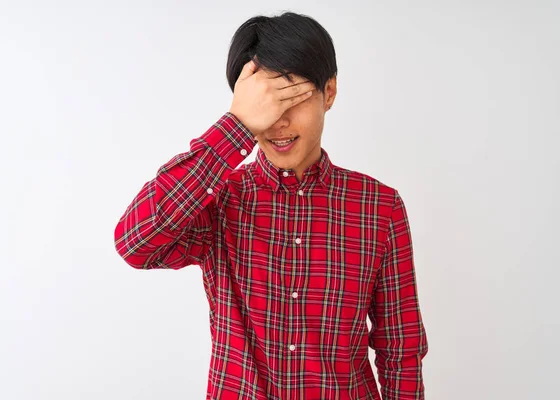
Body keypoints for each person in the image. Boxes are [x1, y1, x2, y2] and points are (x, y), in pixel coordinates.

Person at [114, 11, 428, 400]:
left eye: (292, 97)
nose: (278, 122)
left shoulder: (379, 207)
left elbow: (401, 350)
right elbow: (134, 242)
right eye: (264, 104)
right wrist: (236, 125)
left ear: (329, 92)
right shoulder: (218, 199)